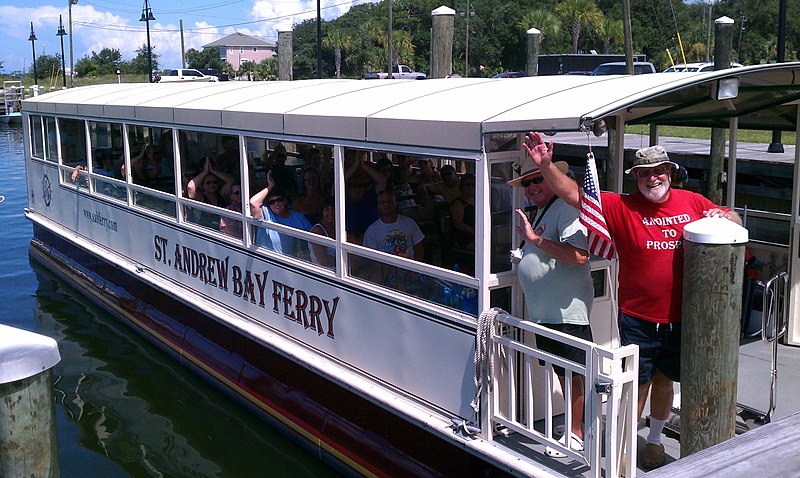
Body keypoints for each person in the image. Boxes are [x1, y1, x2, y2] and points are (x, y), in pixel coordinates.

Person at [523, 132, 742, 469]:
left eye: (658, 171)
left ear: (670, 172)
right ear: (636, 178)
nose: (652, 177)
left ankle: (653, 441)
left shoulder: (692, 201)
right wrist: (546, 165)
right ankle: (625, 448)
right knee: (637, 385)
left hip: (683, 316)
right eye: (643, 173)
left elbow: (733, 219)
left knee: (665, 381)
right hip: (638, 318)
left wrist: (727, 219)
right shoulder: (621, 205)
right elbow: (573, 195)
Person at [508, 160, 594, 458]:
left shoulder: (567, 208)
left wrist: (535, 240)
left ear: (553, 180)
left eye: (538, 181)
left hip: (566, 313)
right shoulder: (546, 210)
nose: (532, 188)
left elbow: (580, 255)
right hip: (546, 314)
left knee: (573, 374)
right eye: (528, 184)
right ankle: (573, 425)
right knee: (562, 372)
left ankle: (576, 433)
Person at [250, 170, 312, 256]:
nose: (276, 204)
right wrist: (270, 186)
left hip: (289, 262)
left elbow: (311, 239)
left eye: (279, 200)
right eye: (272, 202)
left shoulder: (298, 217)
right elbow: (253, 203)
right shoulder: (266, 213)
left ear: (286, 200)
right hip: (265, 261)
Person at [363, 191, 424, 260]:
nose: (386, 204)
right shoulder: (372, 230)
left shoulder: (409, 222)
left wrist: (414, 267)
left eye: (390, 201)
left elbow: (419, 249)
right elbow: (370, 259)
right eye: (383, 202)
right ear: (378, 206)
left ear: (395, 203)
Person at [187, 157, 236, 228]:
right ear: (203, 185)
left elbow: (231, 181)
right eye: (208, 183)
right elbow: (190, 187)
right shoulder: (200, 198)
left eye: (214, 182)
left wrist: (213, 171)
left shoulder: (221, 194)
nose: (212, 185)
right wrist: (205, 172)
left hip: (222, 231)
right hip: (206, 231)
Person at [310, 197, 336, 268]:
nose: (330, 213)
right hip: (322, 273)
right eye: (327, 209)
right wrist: (346, 261)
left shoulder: (337, 228)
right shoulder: (317, 230)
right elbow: (323, 260)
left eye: (333, 209)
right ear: (321, 212)